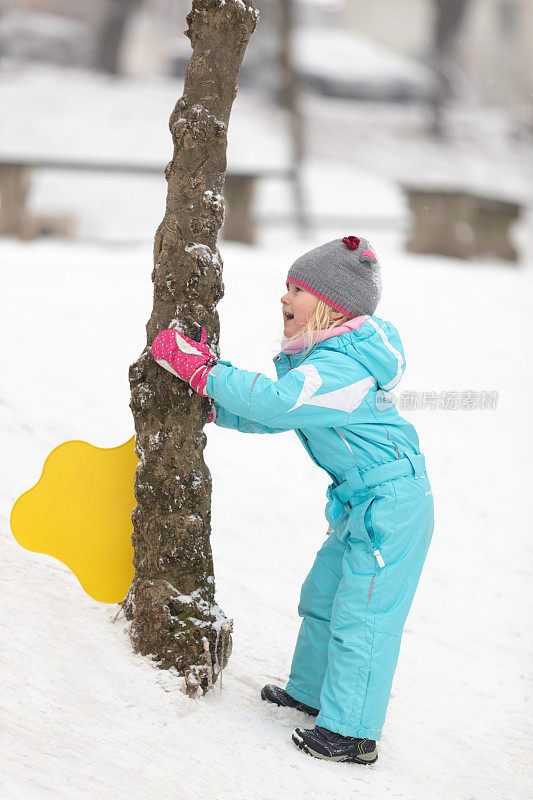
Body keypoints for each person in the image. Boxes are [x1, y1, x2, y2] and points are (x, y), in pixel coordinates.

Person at [151, 235, 435, 765]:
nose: (284, 298)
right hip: (360, 503)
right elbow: (272, 414)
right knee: (324, 598)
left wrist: (204, 373)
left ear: (331, 306)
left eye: (297, 289)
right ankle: (310, 692)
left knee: (364, 616)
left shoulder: (344, 369)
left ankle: (352, 731)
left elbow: (280, 404)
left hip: (394, 505)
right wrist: (214, 410)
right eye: (286, 286)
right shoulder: (325, 360)